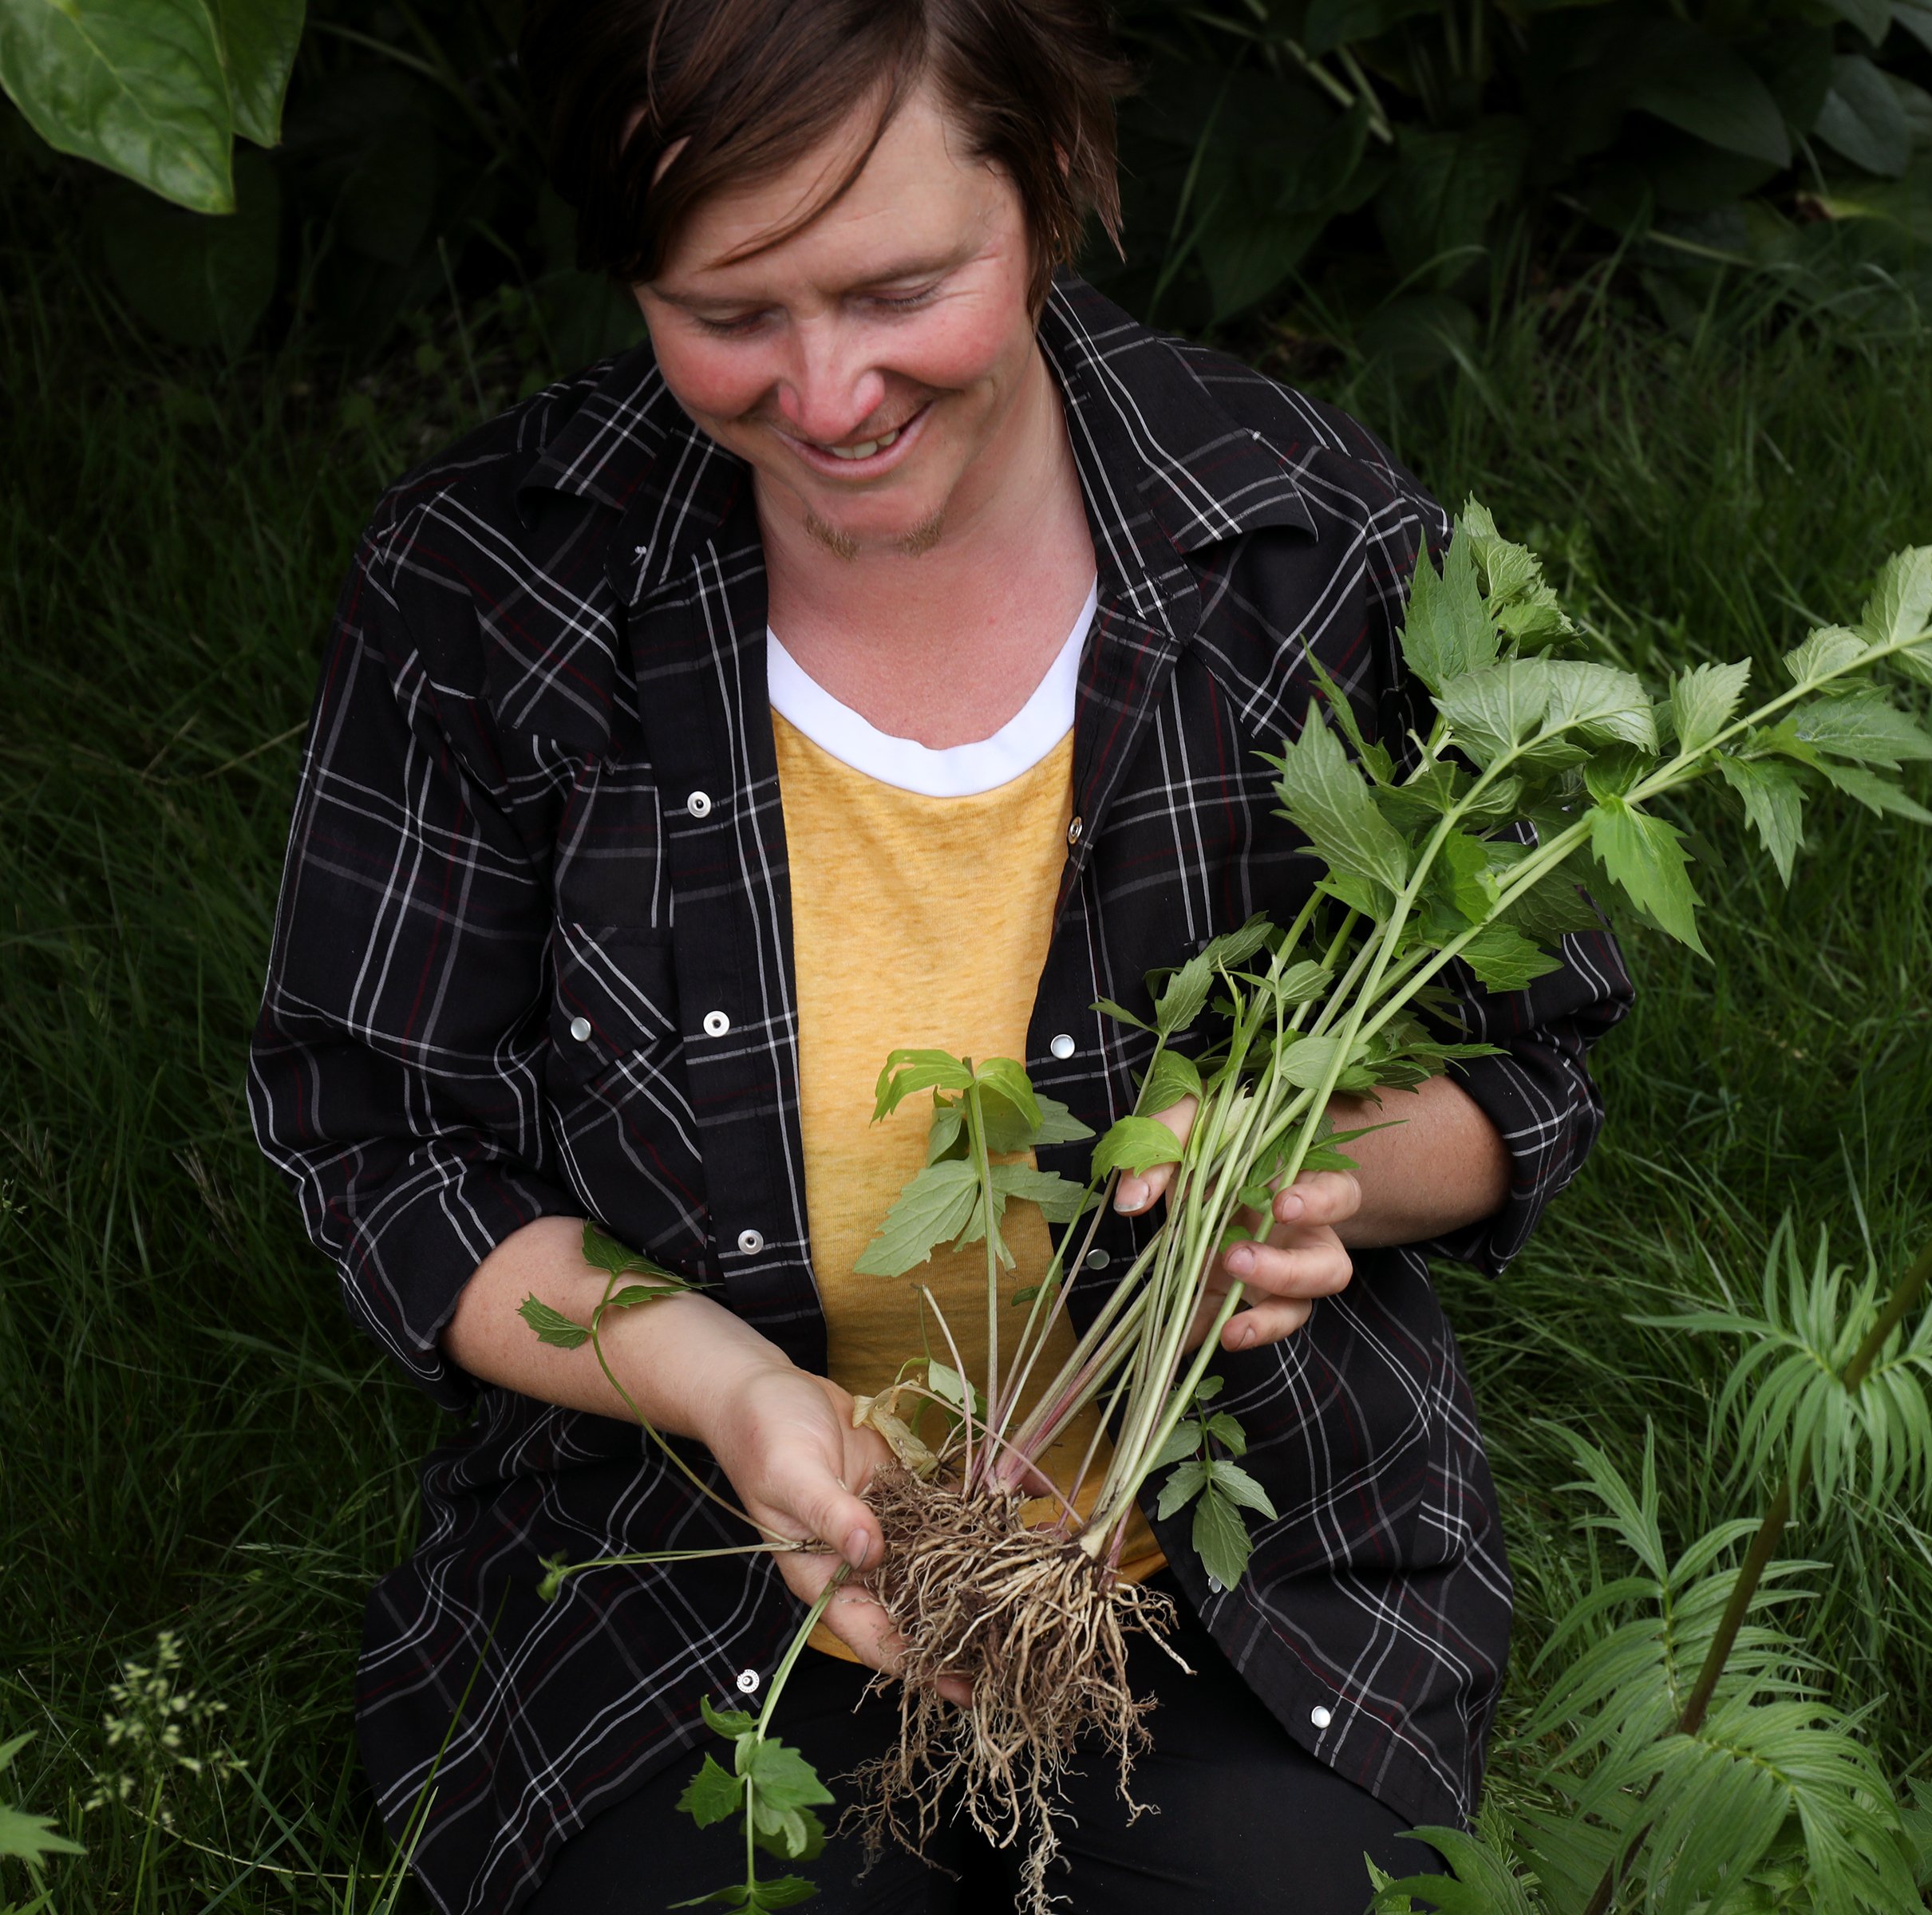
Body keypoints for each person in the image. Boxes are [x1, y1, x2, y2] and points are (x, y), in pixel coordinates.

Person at [245, 2, 1630, 1909]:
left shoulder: (1294, 543)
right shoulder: (496, 587)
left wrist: (1316, 1168)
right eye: (731, 315)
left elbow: (1531, 1051)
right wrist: (727, 1390)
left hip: (1242, 1570)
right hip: (687, 1572)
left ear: (1053, 186)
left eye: (900, 290)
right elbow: (381, 1142)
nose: (825, 398)